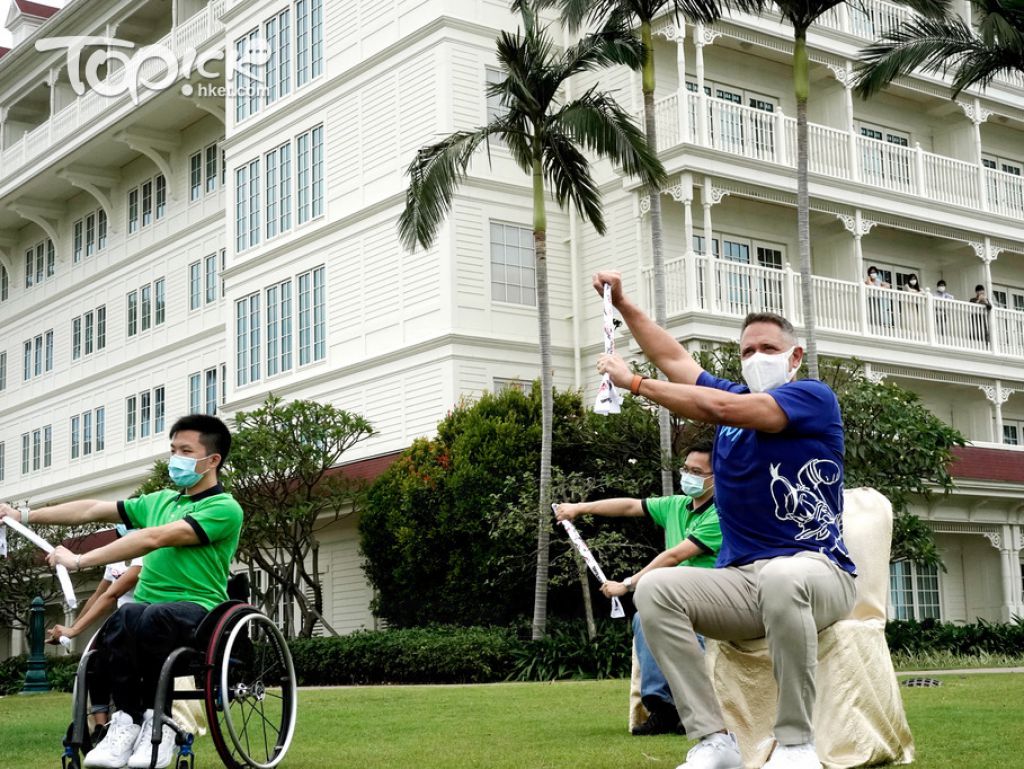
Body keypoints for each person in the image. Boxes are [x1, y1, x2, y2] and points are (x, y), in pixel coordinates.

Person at [590, 271, 856, 769]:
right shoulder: (734, 411)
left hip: (820, 574)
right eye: (747, 351)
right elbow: (675, 359)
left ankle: (797, 745)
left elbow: (715, 404)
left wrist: (637, 384)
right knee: (655, 591)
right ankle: (714, 741)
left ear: (794, 357)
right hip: (745, 583)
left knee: (782, 575)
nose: (756, 357)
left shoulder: (812, 399)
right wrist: (624, 305)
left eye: (767, 348)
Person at [0, 414, 242, 769]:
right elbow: (92, 509)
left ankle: (158, 725)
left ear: (212, 460)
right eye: (173, 449)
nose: (176, 458)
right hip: (145, 613)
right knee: (128, 614)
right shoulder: (159, 501)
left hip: (197, 611)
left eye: (185, 451)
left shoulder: (223, 508)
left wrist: (80, 560)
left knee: (152, 614)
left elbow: (153, 537)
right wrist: (23, 515)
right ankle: (126, 723)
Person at [554, 442, 722, 737]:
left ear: (716, 477)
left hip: (710, 598)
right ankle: (663, 708)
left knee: (678, 622)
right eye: (686, 469)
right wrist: (579, 509)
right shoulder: (675, 505)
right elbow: (630, 505)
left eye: (697, 472)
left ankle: (694, 707)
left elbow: (674, 556)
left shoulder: (720, 515)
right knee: (644, 617)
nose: (689, 476)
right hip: (673, 596)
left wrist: (628, 584)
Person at [47, 538, 143, 743]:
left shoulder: (147, 552)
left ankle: (130, 717)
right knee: (95, 659)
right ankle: (101, 726)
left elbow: (112, 594)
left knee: (119, 652)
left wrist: (73, 630)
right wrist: (68, 630)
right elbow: (99, 595)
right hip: (120, 623)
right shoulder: (116, 557)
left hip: (144, 619)